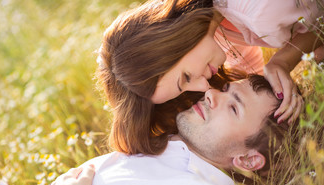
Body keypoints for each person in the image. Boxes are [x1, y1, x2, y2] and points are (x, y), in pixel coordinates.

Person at [8, 74, 294, 185]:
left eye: (234, 108)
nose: (211, 93)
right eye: (225, 89)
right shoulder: (166, 148)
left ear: (247, 160)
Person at [97, 0, 322, 156]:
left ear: (172, 41)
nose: (204, 86)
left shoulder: (259, 11)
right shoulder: (214, 30)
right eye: (185, 89)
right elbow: (249, 75)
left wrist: (284, 60)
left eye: (186, 77)